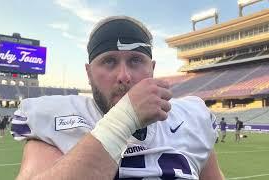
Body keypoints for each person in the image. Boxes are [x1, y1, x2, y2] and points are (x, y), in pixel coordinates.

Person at [11, 16, 224, 180]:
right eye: (109, 61)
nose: (124, 76)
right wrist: (125, 117)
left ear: (152, 69)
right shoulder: (54, 117)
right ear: (89, 73)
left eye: (135, 60)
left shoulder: (191, 118)